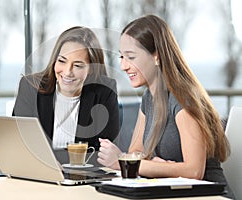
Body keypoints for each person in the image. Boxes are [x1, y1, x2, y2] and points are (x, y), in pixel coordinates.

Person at [97, 15, 234, 198]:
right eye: (121, 57)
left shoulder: (183, 98)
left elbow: (194, 172)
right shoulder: (149, 97)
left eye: (130, 57)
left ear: (156, 56)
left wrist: (123, 161)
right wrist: (158, 166)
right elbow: (136, 153)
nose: (122, 66)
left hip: (210, 196)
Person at [13, 26, 120, 153]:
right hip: (37, 171)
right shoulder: (30, 87)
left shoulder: (104, 91)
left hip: (85, 171)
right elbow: (19, 143)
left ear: (92, 68)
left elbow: (105, 151)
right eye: (62, 61)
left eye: (78, 66)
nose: (67, 72)